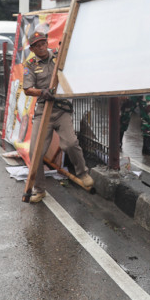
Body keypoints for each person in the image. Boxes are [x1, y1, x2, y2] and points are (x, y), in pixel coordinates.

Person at [23, 31, 93, 203]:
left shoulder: (58, 56)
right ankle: (39, 190)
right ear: (32, 49)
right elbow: (27, 89)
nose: (41, 47)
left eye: (43, 43)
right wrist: (42, 92)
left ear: (47, 43)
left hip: (61, 109)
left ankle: (83, 173)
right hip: (43, 111)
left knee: (70, 143)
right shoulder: (30, 64)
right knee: (35, 152)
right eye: (37, 46)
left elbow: (73, 58)